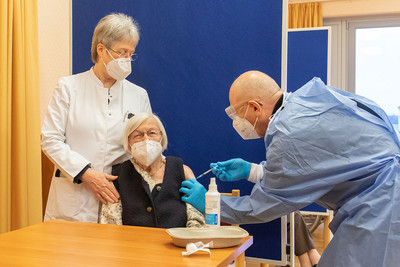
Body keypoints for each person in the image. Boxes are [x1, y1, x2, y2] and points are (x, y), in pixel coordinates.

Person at [180, 70, 400, 266]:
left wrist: (211, 203)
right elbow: (315, 168)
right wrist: (251, 170)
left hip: (381, 206)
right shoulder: (306, 104)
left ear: (255, 107)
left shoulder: (286, 132)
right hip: (382, 194)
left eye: (238, 114)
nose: (237, 122)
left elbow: (262, 206)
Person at [42, 13, 152, 223]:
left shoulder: (139, 95)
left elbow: (147, 146)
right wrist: (87, 174)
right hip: (74, 200)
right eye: (122, 52)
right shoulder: (68, 88)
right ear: (101, 50)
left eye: (131, 54)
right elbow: (50, 139)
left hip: (118, 199)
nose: (128, 60)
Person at [100, 113, 204, 228]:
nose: (146, 139)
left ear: (162, 139)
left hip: (177, 244)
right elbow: (111, 224)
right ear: (129, 143)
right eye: (137, 135)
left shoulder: (182, 170)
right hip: (132, 244)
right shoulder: (119, 175)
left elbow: (196, 220)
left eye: (152, 133)